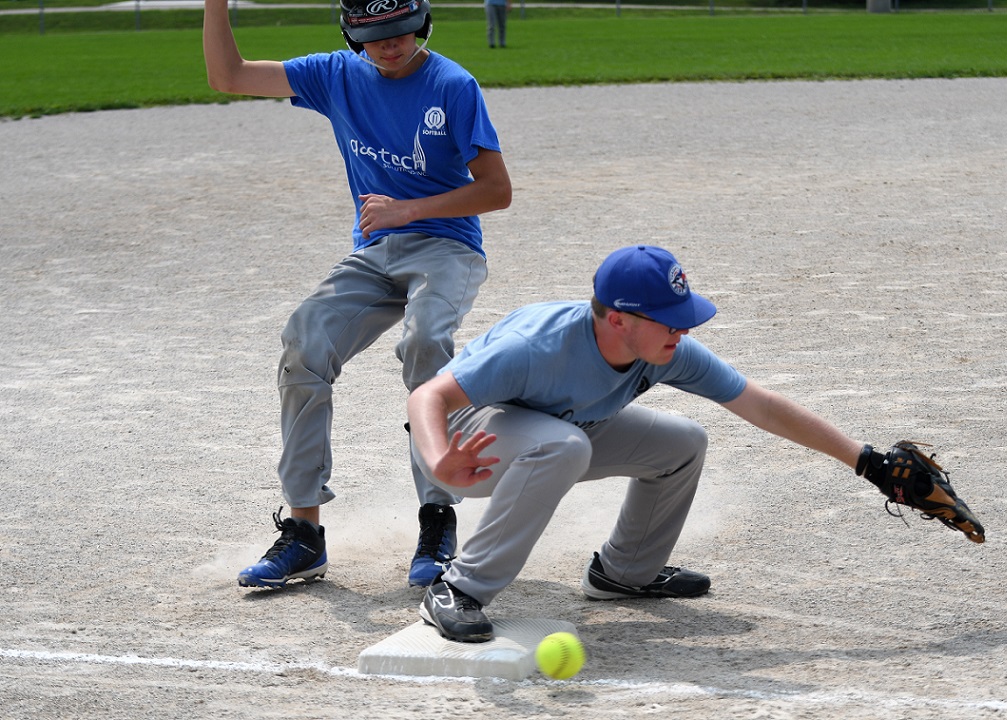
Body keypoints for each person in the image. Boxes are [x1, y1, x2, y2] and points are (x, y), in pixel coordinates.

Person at [406, 245, 882, 643]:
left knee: (682, 443)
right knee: (565, 444)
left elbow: (762, 405)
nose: (684, 330)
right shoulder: (536, 346)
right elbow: (429, 394)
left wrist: (865, 460)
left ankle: (623, 573)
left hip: (558, 429)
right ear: (618, 320)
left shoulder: (661, 349)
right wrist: (437, 462)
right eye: (670, 321)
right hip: (467, 443)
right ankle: (458, 589)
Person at [203, 0, 512, 589]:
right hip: (374, 255)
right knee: (304, 341)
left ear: (421, 27)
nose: (390, 46)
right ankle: (303, 532)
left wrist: (409, 209)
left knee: (424, 340)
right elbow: (229, 76)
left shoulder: (453, 84)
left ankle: (438, 516)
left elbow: (497, 190)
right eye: (374, 37)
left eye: (400, 33)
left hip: (447, 248)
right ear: (351, 37)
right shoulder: (335, 76)